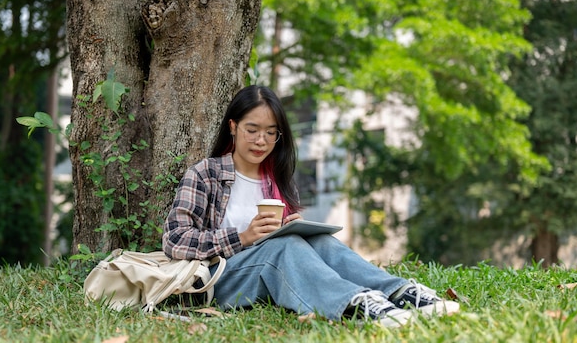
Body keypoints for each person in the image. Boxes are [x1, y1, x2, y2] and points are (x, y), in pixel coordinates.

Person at [162, 85, 459, 327]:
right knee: (284, 247)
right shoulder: (205, 173)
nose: (261, 140)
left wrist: (292, 226)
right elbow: (174, 240)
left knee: (317, 240)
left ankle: (400, 293)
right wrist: (241, 237)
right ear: (233, 126)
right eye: (252, 129)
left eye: (270, 132)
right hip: (218, 280)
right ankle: (354, 305)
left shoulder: (276, 178)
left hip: (266, 272)